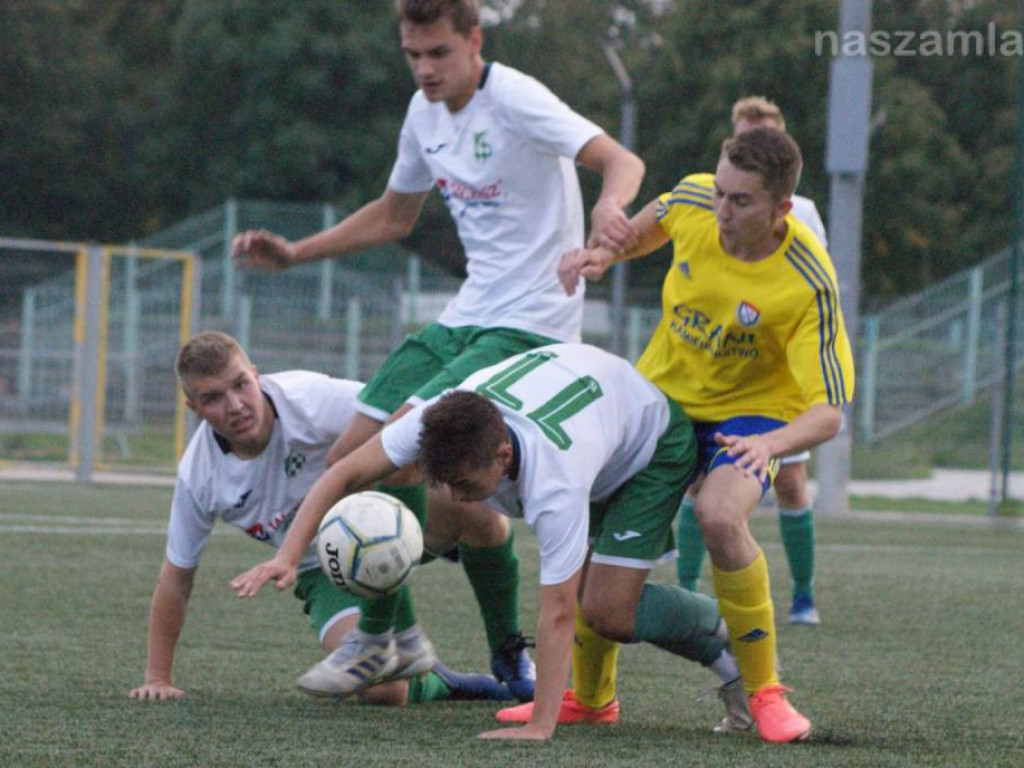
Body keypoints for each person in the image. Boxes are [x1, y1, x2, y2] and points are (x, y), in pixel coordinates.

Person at [231, 0, 646, 702]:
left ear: (474, 41)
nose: (425, 69)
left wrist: (612, 210)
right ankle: (490, 650)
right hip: (464, 318)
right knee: (350, 463)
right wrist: (297, 252)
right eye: (413, 55)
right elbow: (395, 216)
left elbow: (620, 160)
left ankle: (388, 636)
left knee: (398, 458)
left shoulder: (514, 97)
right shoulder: (423, 115)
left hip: (529, 329)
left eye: (438, 54)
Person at [231, 343, 754, 740]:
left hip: (652, 445)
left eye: (465, 486)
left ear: (503, 456)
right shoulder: (440, 421)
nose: (456, 499)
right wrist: (288, 553)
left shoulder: (554, 480)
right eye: (447, 484)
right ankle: (590, 698)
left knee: (608, 611)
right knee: (597, 594)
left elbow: (556, 611)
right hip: (596, 410)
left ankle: (727, 643)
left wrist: (540, 727)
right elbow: (344, 471)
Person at [557, 126, 855, 743]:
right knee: (590, 517)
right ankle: (590, 699)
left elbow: (829, 412)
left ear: (782, 208)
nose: (721, 209)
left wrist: (770, 446)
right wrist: (601, 254)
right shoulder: (692, 199)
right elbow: (637, 235)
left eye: (741, 201)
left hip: (754, 416)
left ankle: (765, 692)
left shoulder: (809, 279)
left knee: (720, 516)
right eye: (720, 192)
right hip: (662, 400)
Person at [128, 331, 514, 706]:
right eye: (213, 398)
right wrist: (157, 678)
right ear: (192, 407)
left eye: (240, 384)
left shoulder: (309, 398)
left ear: (256, 374)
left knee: (478, 511)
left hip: (391, 513)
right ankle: (443, 682)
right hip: (324, 569)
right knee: (384, 691)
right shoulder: (199, 476)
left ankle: (511, 656)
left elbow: (405, 426)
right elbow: (176, 577)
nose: (235, 405)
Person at [674, 96, 829, 627]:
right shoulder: (712, 200)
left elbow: (811, 298)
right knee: (699, 489)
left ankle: (803, 596)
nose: (726, 207)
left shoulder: (801, 218)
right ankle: (688, 589)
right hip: (711, 376)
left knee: (788, 481)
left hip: (774, 381)